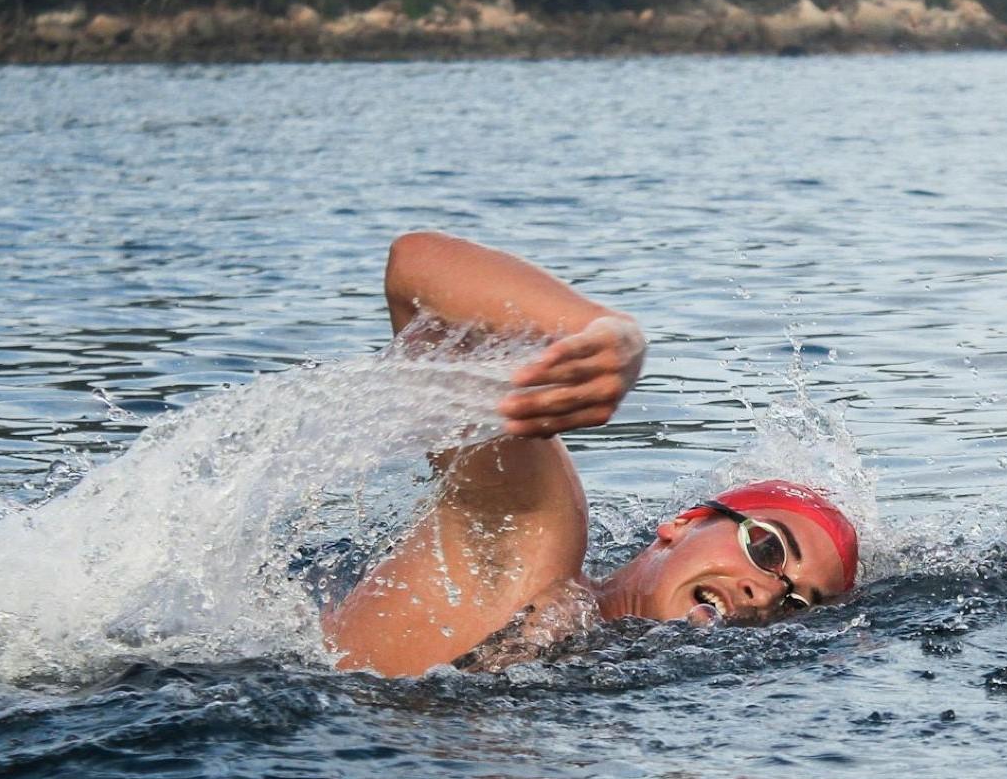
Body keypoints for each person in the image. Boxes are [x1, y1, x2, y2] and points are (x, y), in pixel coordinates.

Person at [323, 232, 860, 677]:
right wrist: (605, 331)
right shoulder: (531, 548)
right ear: (685, 522)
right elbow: (414, 267)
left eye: (796, 603)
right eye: (766, 549)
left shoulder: (622, 676)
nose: (764, 592)